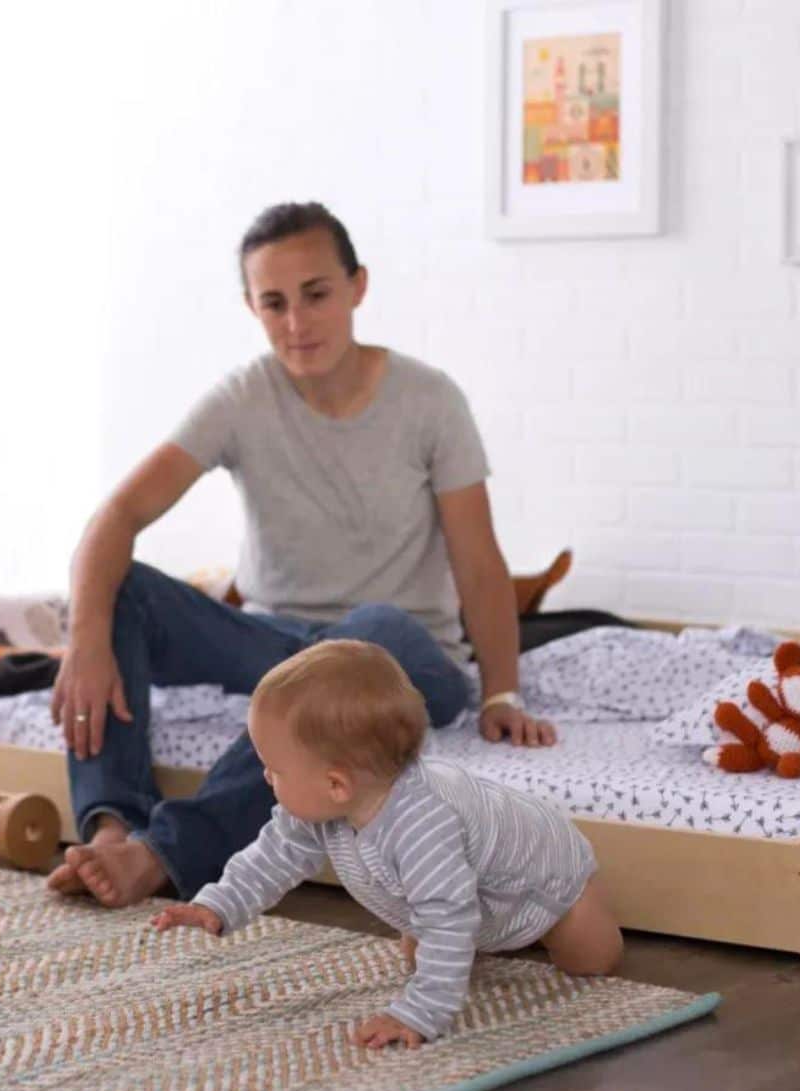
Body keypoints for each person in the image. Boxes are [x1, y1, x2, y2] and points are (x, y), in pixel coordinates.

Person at [46, 201, 557, 909]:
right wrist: (85, 639)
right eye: (274, 303)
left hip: (402, 659)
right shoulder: (241, 398)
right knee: (119, 592)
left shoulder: (431, 401)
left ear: (357, 286)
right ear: (252, 307)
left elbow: (479, 564)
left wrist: (502, 692)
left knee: (372, 625)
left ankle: (164, 852)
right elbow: (118, 515)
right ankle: (111, 826)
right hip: (281, 645)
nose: (296, 323)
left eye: (315, 295)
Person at [152, 640, 623, 1048]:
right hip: (461, 892)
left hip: (538, 884)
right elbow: (272, 856)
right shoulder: (327, 807)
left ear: (336, 784)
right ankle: (484, 943)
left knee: (589, 959)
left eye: (273, 768)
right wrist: (218, 904)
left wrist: (419, 1013)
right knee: (422, 953)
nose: (265, 777)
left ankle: (567, 917)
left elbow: (447, 917)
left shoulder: (423, 825)